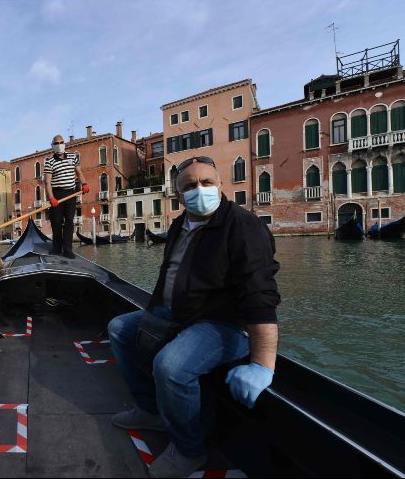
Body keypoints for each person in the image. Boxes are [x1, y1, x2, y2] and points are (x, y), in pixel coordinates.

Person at [107, 156, 280, 478]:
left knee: (171, 366)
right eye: (189, 186)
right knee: (120, 328)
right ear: (178, 194)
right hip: (178, 315)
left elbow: (260, 293)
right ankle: (150, 410)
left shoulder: (244, 225)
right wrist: (156, 313)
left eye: (206, 183)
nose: (199, 190)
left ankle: (189, 450)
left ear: (220, 185)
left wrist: (262, 364)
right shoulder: (180, 224)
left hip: (224, 323)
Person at [44, 134, 89, 258]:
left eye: (61, 142)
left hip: (71, 192)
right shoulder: (49, 161)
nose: (59, 145)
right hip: (57, 193)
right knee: (56, 222)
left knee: (69, 221)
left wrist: (84, 183)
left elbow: (79, 173)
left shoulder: (72, 156)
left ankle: (67, 249)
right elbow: (47, 182)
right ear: (53, 146)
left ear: (64, 144)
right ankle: (57, 247)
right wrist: (51, 197)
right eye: (56, 143)